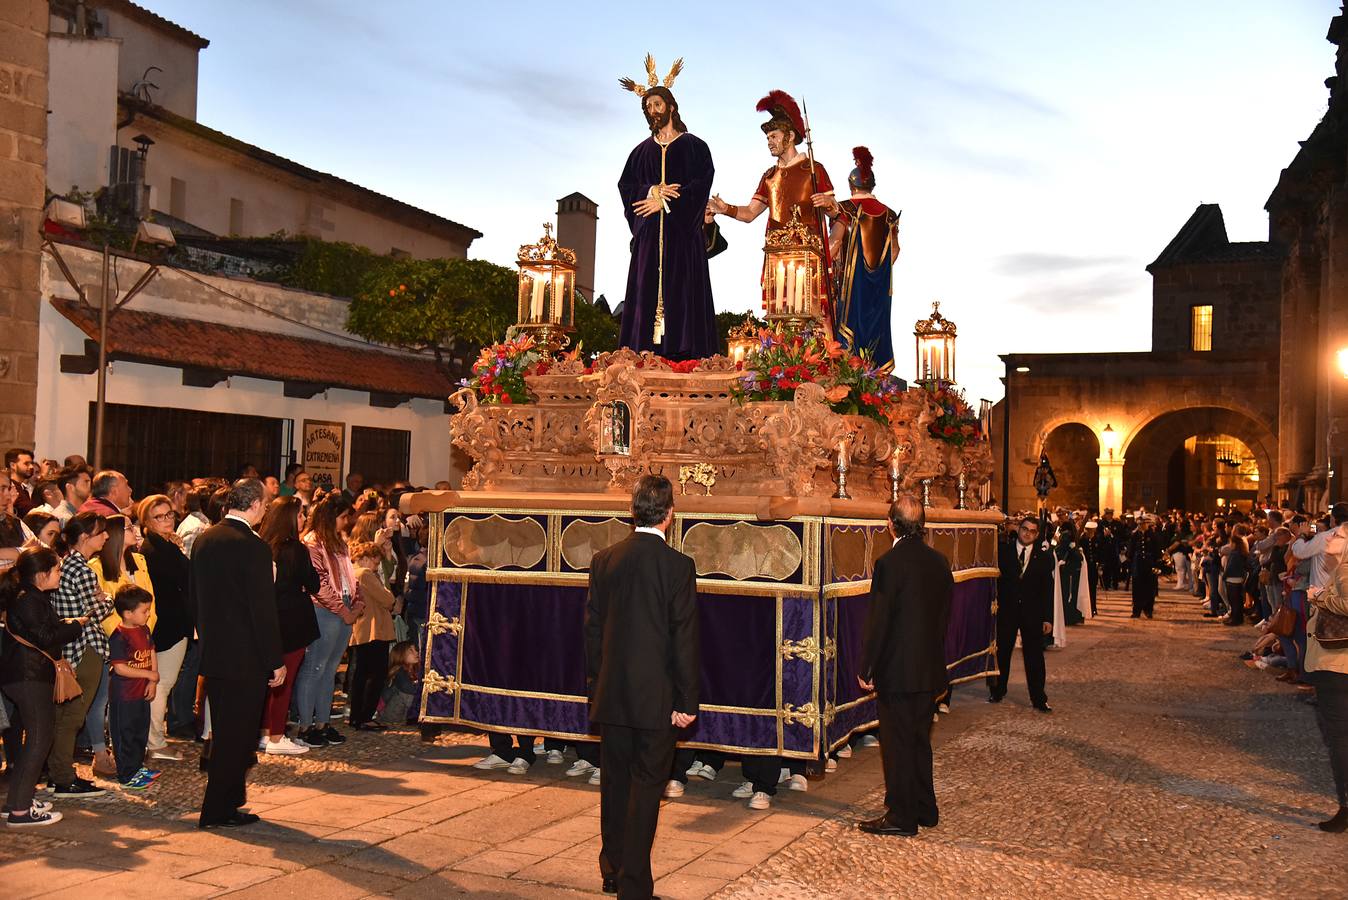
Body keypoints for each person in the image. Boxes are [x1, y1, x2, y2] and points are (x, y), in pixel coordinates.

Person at [585, 474, 699, 898]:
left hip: (612, 695)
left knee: (614, 785)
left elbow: (592, 632)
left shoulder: (605, 559)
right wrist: (687, 700)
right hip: (658, 700)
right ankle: (633, 884)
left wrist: (596, 686)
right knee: (646, 789)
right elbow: (684, 637)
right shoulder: (678, 567)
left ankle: (612, 866)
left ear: (633, 512)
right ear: (670, 515)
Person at [188, 478, 285, 829]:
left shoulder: (205, 538)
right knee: (237, 736)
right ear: (257, 505)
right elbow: (262, 611)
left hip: (216, 651)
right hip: (246, 658)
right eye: (266, 505)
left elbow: (195, 597)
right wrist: (274, 660)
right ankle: (216, 809)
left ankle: (230, 799)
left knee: (229, 733)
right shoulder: (253, 547)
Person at [856, 495, 952, 837]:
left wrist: (867, 667)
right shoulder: (940, 562)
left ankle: (901, 815)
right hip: (928, 668)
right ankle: (926, 807)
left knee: (897, 744)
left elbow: (879, 622)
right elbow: (943, 619)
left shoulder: (889, 563)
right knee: (919, 741)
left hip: (897, 670)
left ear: (891, 523)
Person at [616, 64, 717, 360]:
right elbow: (626, 186)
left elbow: (702, 184)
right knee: (645, 295)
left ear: (671, 107)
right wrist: (651, 192)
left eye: (657, 104)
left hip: (682, 240)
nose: (652, 111)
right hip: (649, 243)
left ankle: (687, 359)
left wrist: (668, 202)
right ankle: (642, 356)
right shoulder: (639, 153)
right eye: (648, 107)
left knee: (684, 295)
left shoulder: (695, 147)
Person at [709, 90, 835, 323]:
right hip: (778, 257)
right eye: (767, 138)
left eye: (773, 136)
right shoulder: (769, 176)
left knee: (814, 317)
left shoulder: (813, 170)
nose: (769, 142)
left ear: (789, 136)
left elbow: (835, 211)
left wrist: (829, 203)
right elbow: (750, 213)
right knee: (779, 316)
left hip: (808, 257)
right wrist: (725, 208)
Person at [1, 547, 85, 826]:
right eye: (57, 570)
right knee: (39, 740)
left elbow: (40, 631)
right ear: (41, 574)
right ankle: (21, 812)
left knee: (34, 741)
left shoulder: (30, 597)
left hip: (27, 675)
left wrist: (68, 624)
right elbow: (45, 636)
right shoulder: (29, 600)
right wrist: (74, 626)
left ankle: (16, 801)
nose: (60, 574)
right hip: (29, 676)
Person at [47, 512, 113, 798]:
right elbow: (94, 611)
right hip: (85, 647)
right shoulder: (82, 569)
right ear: (86, 537)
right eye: (101, 532)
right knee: (73, 715)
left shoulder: (68, 565)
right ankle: (62, 777)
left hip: (71, 648)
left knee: (66, 715)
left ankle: (59, 773)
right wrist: (108, 600)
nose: (107, 537)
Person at [293, 493, 362, 748]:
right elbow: (318, 583)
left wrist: (357, 603)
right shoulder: (312, 543)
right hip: (323, 611)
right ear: (330, 517)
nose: (346, 522)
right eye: (343, 517)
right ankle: (305, 726)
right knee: (315, 668)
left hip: (343, 608)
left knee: (330, 669)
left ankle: (323, 722)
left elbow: (351, 576)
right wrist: (344, 611)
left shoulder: (340, 542)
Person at [828, 147, 901, 370]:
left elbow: (835, 242)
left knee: (847, 336)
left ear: (851, 185)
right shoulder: (888, 214)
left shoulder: (846, 208)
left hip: (851, 290)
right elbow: (895, 251)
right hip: (879, 291)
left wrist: (822, 267)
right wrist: (878, 275)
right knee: (876, 335)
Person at [256, 496, 318, 755]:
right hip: (292, 620)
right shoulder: (295, 549)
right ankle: (277, 736)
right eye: (301, 515)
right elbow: (313, 582)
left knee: (266, 680)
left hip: (268, 619)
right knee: (284, 680)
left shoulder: (262, 545)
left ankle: (264, 731)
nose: (304, 519)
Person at [136, 495, 192, 762]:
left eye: (169, 514)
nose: (167, 520)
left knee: (161, 684)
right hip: (165, 626)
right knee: (160, 684)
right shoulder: (151, 550)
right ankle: (155, 742)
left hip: (174, 623)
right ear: (146, 520)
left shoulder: (166, 545)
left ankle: (154, 737)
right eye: (159, 516)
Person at [989, 514, 1054, 713]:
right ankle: (998, 690)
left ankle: (1038, 697)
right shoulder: (1003, 552)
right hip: (1007, 611)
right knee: (1003, 652)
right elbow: (994, 583)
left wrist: (1047, 618)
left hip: (1032, 614)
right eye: (1025, 529)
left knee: (1034, 656)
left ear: (1037, 534)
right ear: (1018, 529)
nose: (1027, 533)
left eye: (1032, 531)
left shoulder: (1044, 558)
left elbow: (1047, 589)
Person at [1305, 545, 1348, 832]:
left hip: (1338, 664)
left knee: (1340, 737)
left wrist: (1318, 597)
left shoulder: (1345, 568)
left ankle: (1346, 806)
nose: (1327, 544)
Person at [106, 584, 161, 791]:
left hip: (141, 693)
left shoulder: (144, 630)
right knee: (125, 735)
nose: (148, 615)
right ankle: (126, 774)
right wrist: (149, 674)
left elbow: (151, 651)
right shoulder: (119, 636)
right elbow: (120, 668)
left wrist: (152, 681)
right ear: (128, 613)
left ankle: (137, 767)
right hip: (124, 696)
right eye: (144, 611)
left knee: (140, 731)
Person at [348, 540, 396, 731]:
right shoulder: (365, 574)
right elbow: (388, 599)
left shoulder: (352, 572)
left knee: (361, 673)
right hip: (374, 629)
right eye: (376, 563)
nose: (376, 567)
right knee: (376, 674)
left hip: (362, 629)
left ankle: (356, 716)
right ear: (366, 559)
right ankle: (365, 716)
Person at [377, 640, 419, 727]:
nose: (416, 652)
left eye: (415, 649)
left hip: (402, 712)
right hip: (389, 714)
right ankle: (416, 716)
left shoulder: (415, 670)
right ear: (401, 655)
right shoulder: (398, 671)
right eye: (411, 650)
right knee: (406, 693)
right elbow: (408, 688)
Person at [1129, 517, 1164, 620]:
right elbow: (1131, 551)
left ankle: (1148, 610)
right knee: (1137, 589)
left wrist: (1157, 565)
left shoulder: (1153, 535)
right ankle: (1136, 611)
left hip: (1149, 564)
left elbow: (1157, 551)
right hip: (1138, 564)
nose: (1141, 526)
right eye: (1139, 524)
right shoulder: (1135, 535)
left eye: (1143, 524)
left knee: (1150, 588)